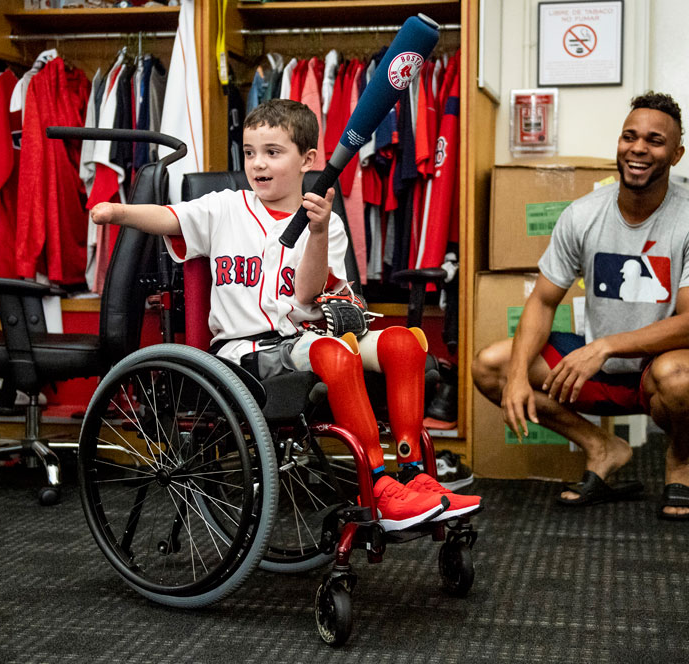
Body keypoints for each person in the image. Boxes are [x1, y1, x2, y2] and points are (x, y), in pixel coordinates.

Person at [91, 99, 481, 531]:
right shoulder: (224, 207)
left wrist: (315, 232)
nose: (258, 163)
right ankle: (378, 485)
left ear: (308, 160)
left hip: (306, 336)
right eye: (250, 152)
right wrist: (118, 212)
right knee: (333, 353)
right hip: (245, 352)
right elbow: (166, 217)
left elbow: (309, 293)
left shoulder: (325, 222)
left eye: (273, 152)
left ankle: (413, 474)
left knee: (404, 342)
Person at [472, 92, 689, 521]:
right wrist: (517, 377)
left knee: (679, 377)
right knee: (491, 366)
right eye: (630, 136)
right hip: (594, 370)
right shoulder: (581, 215)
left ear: (676, 153)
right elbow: (542, 300)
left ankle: (679, 462)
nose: (639, 148)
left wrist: (605, 346)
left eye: (655, 140)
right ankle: (602, 448)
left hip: (659, 369)